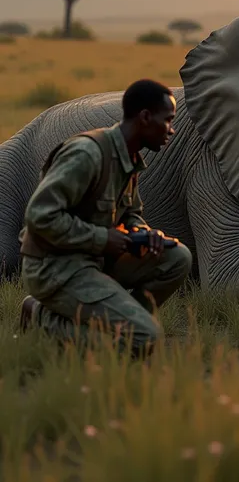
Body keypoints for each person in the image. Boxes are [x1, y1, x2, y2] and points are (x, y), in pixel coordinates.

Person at [19, 78, 192, 358]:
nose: (171, 130)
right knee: (145, 339)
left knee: (177, 258)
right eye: (168, 121)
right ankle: (42, 317)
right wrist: (103, 239)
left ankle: (123, 325)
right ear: (145, 118)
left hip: (93, 260)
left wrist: (142, 233)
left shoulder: (129, 158)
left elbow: (131, 212)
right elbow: (39, 216)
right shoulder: (86, 155)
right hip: (54, 267)